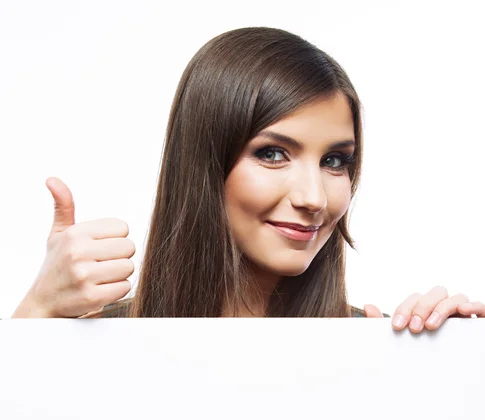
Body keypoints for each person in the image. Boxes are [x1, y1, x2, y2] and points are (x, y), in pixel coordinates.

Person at [11, 26, 484, 330]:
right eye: (274, 153)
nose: (314, 197)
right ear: (205, 164)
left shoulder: (370, 345)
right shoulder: (98, 343)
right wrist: (35, 315)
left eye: (335, 161)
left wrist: (452, 368)